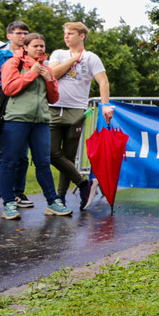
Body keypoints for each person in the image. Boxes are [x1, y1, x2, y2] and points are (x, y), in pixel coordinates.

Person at [0, 33, 73, 220]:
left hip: (41, 121)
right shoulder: (13, 63)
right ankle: (8, 204)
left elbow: (53, 98)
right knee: (10, 162)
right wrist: (32, 73)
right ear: (25, 48)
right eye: (35, 46)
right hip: (16, 120)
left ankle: (52, 202)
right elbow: (8, 88)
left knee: (43, 163)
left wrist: (49, 79)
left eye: (42, 46)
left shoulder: (46, 68)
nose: (39, 49)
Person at [47, 22, 109, 210]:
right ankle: (84, 185)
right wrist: (73, 59)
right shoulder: (58, 54)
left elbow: (103, 81)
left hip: (77, 110)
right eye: (65, 33)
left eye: (70, 33)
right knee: (51, 153)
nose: (66, 36)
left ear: (81, 36)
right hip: (54, 108)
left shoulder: (91, 57)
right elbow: (53, 74)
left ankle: (60, 198)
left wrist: (105, 105)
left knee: (68, 156)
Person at [0, 20, 31, 211]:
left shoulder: (31, 55)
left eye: (25, 33)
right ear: (9, 35)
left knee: (22, 155)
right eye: (18, 33)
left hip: (25, 109)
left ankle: (18, 192)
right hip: (3, 108)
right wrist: (11, 86)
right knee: (0, 153)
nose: (22, 36)